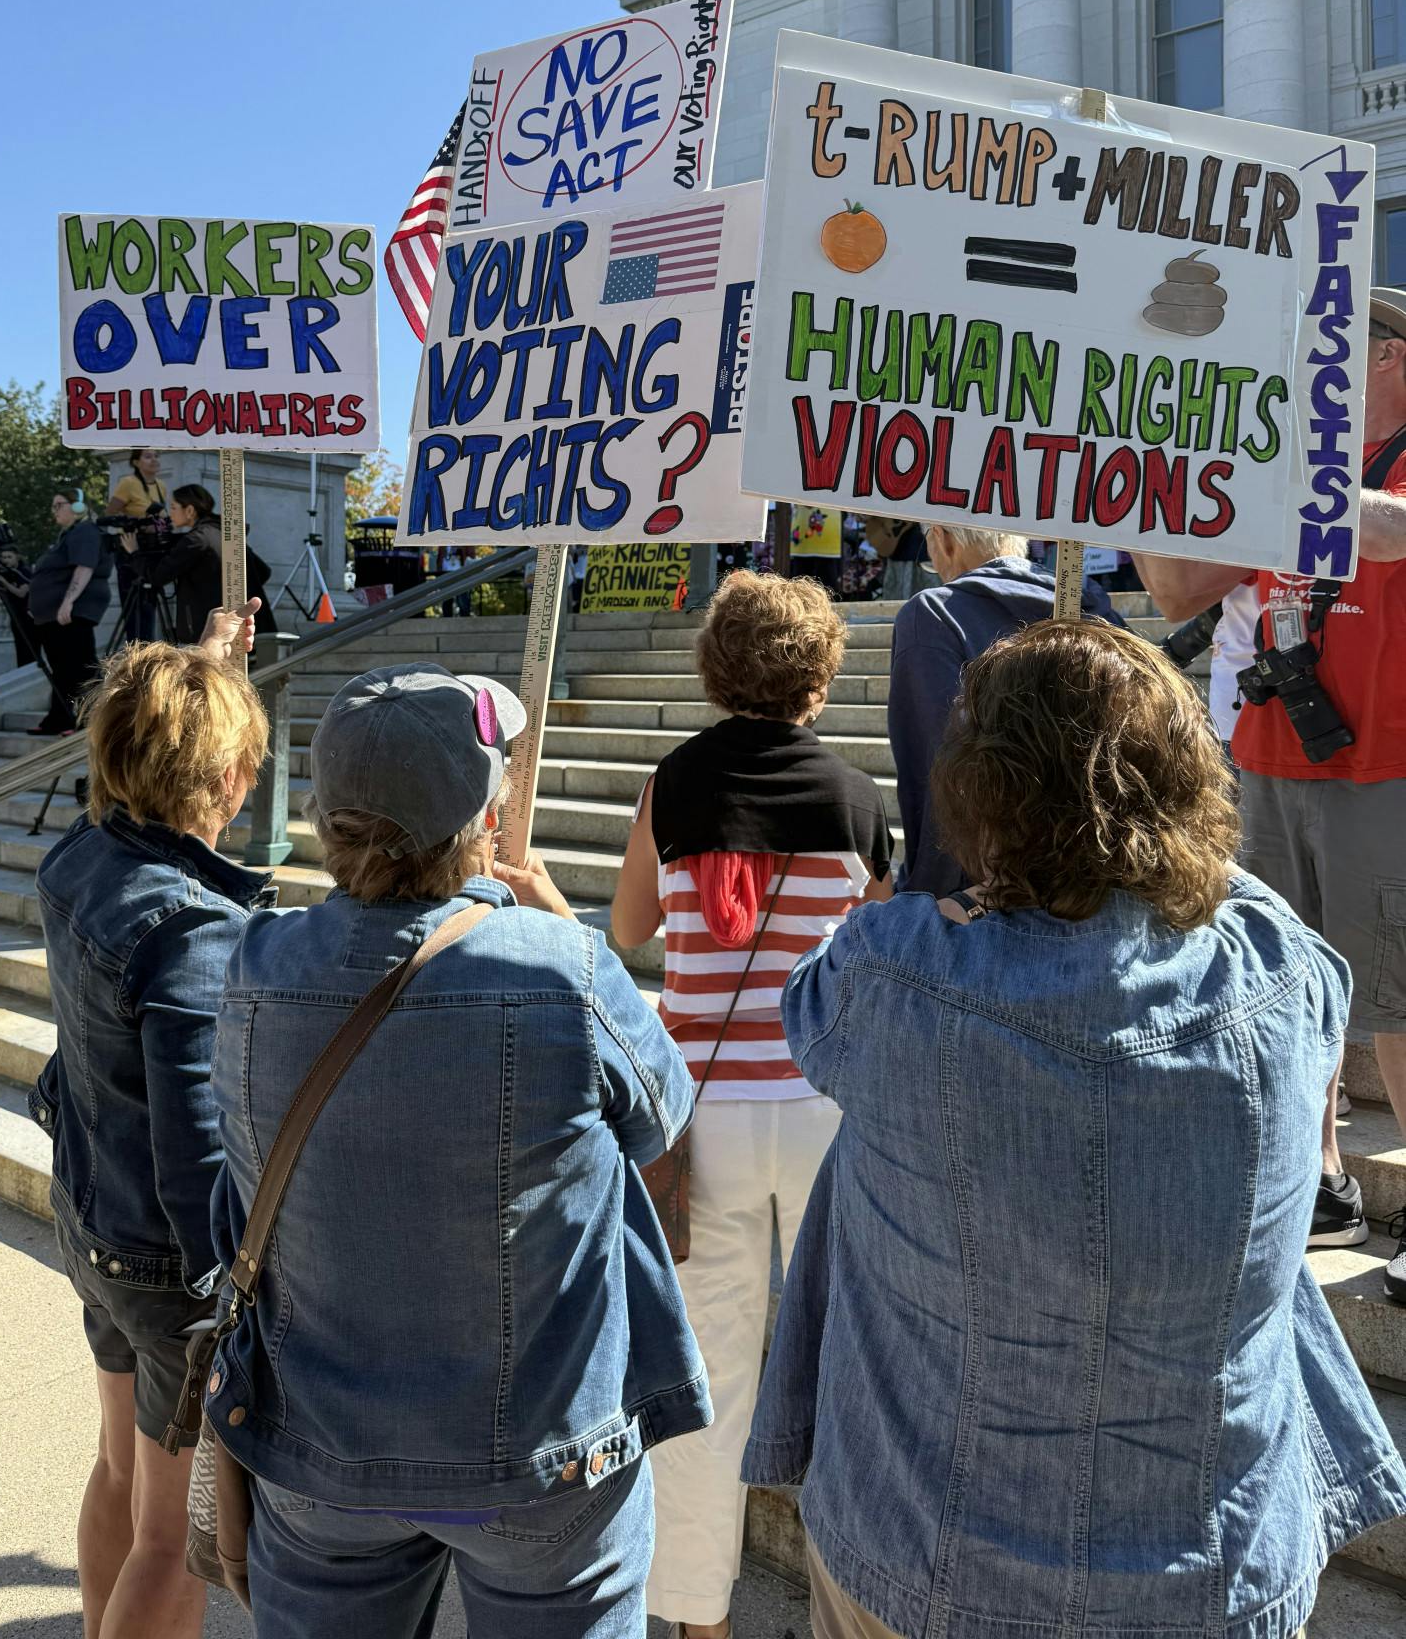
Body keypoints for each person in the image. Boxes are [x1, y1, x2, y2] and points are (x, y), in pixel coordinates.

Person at [743, 620, 1406, 1639]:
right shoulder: (1280, 967)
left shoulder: (896, 970)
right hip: (1217, 1571)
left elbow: (809, 1008)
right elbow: (1257, 913)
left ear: (977, 791)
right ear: (1189, 772)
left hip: (925, 1557)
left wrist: (986, 895)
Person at [206, 662, 711, 1638]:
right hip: (541, 1452)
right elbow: (665, 1114)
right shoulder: (560, 967)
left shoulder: (254, 964)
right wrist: (557, 923)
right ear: (482, 812)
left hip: (321, 1446)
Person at [610, 570, 893, 1639]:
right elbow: (873, 949)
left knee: (706, 1372)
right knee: (843, 1364)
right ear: (818, 678)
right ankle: (850, 1602)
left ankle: (695, 1617)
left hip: (702, 1111)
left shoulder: (672, 783)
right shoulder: (859, 796)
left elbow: (631, 928)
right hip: (822, 1106)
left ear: (715, 669)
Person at [1132, 285, 1406, 1290]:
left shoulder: (1367, 465)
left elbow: (1388, 533)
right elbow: (1174, 587)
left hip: (1385, 764)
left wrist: (1273, 488)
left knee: (1396, 998)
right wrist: (1156, 477)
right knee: (1288, 986)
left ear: (1389, 357)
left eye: (1336, 351)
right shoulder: (1287, 471)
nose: (1310, 372)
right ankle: (1321, 1173)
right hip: (1271, 757)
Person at [30, 608, 271, 1639]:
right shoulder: (190, 925)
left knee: (118, 1467)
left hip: (90, 1220)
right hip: (164, 1265)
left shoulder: (81, 855)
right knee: (172, 1538)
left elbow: (144, 741)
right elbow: (198, 1162)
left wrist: (207, 666)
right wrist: (234, 1292)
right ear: (224, 779)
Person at [885, 525, 1119, 894]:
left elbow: (935, 771)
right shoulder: (1097, 613)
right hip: (1103, 874)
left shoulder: (934, 615)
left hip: (986, 892)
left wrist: (928, 899)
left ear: (943, 539)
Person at [127, 484, 271, 645]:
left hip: (213, 632)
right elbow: (263, 572)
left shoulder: (196, 539)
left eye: (173, 508)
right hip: (248, 629)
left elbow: (156, 576)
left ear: (189, 510)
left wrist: (134, 553)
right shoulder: (225, 533)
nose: (170, 514)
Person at [29, 488, 114, 734]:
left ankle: (89, 720)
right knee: (62, 667)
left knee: (79, 664)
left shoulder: (85, 531)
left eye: (59, 505)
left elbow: (84, 567)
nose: (54, 511)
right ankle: (59, 719)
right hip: (53, 614)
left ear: (77, 507)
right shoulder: (68, 535)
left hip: (72, 611)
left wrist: (68, 602)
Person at [106, 448, 169, 642]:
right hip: (130, 548)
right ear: (135, 462)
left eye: (156, 456)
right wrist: (141, 523)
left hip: (151, 550)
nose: (154, 460)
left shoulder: (161, 485)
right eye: (148, 456)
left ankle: (149, 648)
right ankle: (136, 650)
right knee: (134, 605)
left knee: (149, 602)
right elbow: (110, 513)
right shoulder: (128, 483)